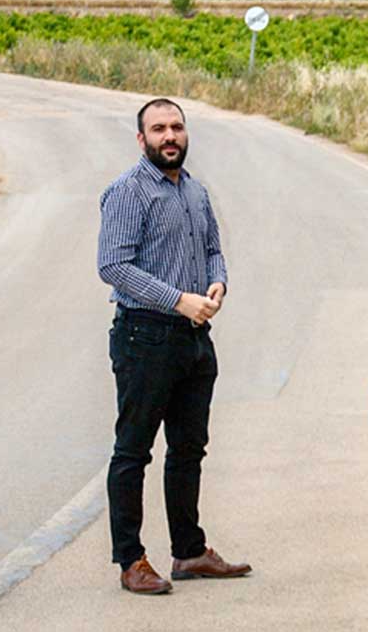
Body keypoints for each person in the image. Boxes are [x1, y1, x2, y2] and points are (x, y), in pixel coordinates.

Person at [96, 97, 251, 595]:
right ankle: (131, 560)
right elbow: (112, 266)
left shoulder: (195, 191)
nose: (170, 136)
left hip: (194, 341)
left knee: (188, 450)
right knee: (133, 452)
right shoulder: (127, 192)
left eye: (177, 127)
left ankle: (188, 552)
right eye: (159, 128)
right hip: (145, 336)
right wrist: (178, 300)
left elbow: (212, 250)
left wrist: (217, 285)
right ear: (141, 139)